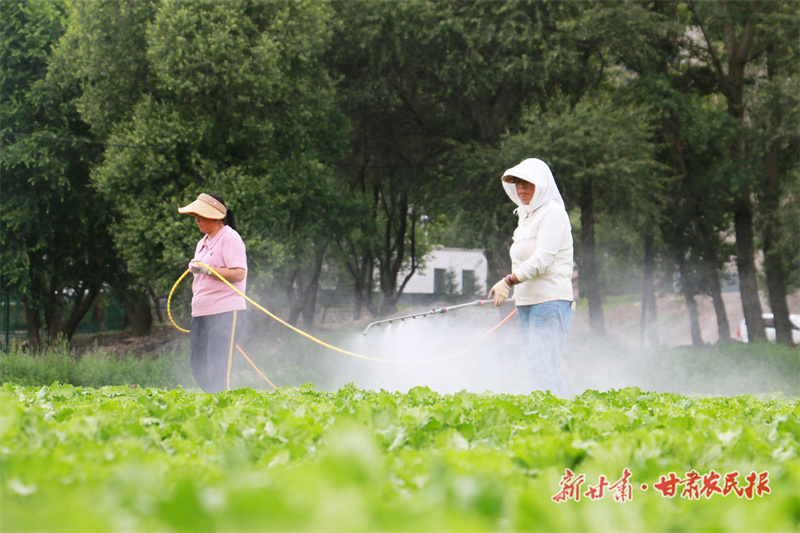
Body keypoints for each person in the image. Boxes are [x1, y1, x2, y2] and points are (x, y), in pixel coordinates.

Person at [488, 158, 575, 396]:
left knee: (543, 367)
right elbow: (521, 257)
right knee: (534, 367)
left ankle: (562, 421)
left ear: (542, 185)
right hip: (527, 303)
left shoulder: (553, 214)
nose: (521, 188)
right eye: (517, 182)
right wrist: (517, 292)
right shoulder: (525, 216)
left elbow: (541, 260)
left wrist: (508, 281)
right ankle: (547, 421)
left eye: (528, 183)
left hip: (550, 302)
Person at [178, 193, 247, 393]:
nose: (197, 220)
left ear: (216, 217)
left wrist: (208, 270)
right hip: (201, 312)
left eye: (201, 215)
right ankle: (214, 402)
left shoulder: (230, 238)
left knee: (218, 368)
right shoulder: (202, 242)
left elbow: (239, 273)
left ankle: (222, 409)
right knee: (197, 367)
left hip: (226, 311)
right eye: (196, 216)